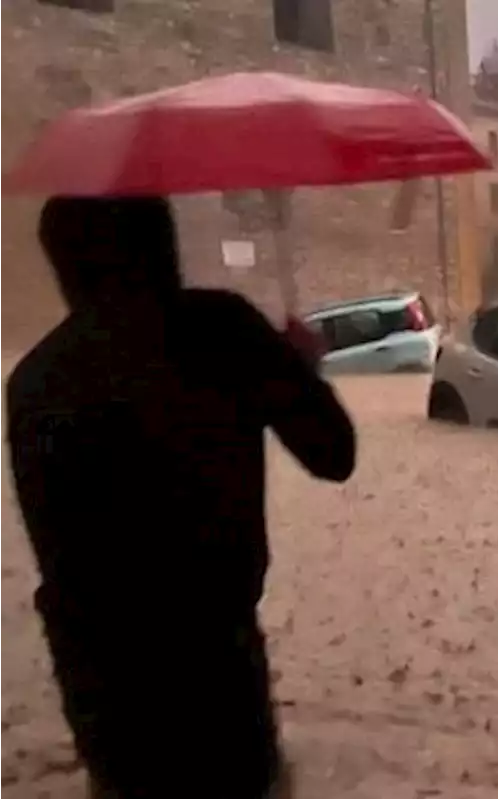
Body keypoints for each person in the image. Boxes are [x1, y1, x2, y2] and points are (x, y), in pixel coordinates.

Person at [4, 196, 357, 798]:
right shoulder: (223, 330)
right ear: (162, 244)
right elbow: (333, 454)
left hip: (99, 692)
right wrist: (299, 372)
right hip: (218, 674)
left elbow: (57, 559)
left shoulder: (36, 379)